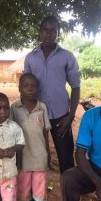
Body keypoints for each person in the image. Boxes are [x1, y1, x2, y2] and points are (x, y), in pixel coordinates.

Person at [24, 15, 80, 173]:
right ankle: (36, 193)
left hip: (61, 116)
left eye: (53, 30)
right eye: (45, 30)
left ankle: (69, 192)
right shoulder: (30, 57)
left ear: (57, 33)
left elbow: (76, 87)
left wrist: (70, 116)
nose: (49, 33)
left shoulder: (67, 56)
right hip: (36, 115)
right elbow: (24, 85)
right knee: (35, 157)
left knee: (66, 159)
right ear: (40, 32)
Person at [10, 73, 51, 201]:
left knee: (40, 182)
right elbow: (10, 132)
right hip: (22, 155)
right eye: (25, 86)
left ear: (38, 88)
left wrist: (48, 152)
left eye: (33, 86)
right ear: (19, 88)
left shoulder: (42, 107)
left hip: (40, 155)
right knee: (22, 183)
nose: (29, 89)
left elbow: (46, 132)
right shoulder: (14, 108)